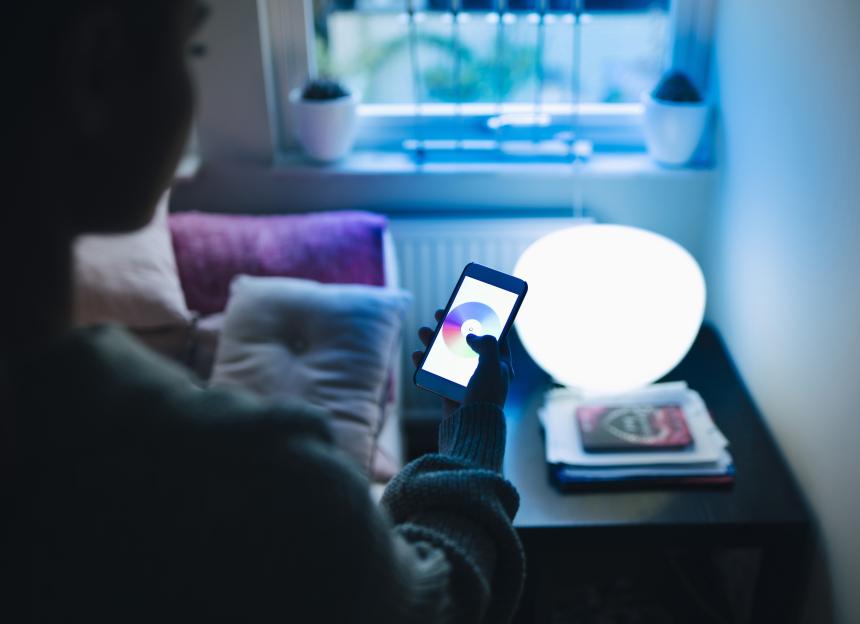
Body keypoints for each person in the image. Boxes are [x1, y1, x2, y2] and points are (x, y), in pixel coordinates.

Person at [3, 1, 524, 622]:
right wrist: (476, 425)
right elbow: (440, 599)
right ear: (97, 68)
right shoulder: (254, 477)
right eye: (191, 49)